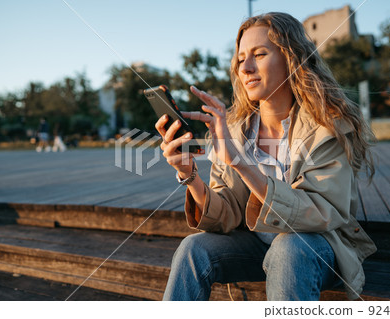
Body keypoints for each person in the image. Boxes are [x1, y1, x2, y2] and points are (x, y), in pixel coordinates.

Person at [155, 12, 377, 301]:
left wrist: (241, 162)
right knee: (192, 249)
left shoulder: (327, 127)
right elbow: (226, 215)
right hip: (257, 246)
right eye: (241, 58)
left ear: (291, 59)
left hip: (316, 249)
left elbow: (319, 213)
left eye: (259, 54)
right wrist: (190, 175)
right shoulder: (234, 131)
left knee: (288, 248)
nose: (245, 68)